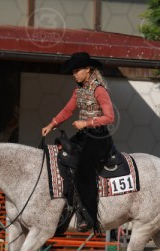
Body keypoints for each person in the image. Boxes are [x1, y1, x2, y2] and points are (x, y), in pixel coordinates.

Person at [42, 52, 115, 233]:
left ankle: (88, 213)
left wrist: (86, 123)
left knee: (84, 170)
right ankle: (65, 203)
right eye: (73, 71)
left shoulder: (99, 90)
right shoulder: (78, 90)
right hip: (84, 136)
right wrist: (52, 124)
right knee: (61, 155)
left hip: (99, 138)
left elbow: (109, 117)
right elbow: (68, 110)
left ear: (88, 69)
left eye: (76, 70)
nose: (73, 74)